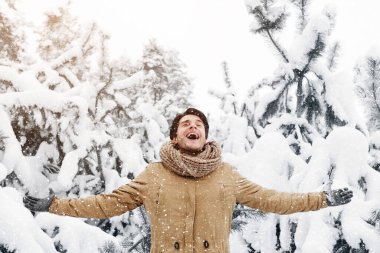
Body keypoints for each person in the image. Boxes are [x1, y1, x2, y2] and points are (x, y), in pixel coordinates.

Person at [24, 108, 353, 253]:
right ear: (176, 136)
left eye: (198, 123)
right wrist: (54, 205)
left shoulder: (226, 176)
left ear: (205, 135)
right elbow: (106, 204)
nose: (192, 126)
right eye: (185, 124)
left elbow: (274, 200)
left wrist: (322, 199)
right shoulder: (154, 175)